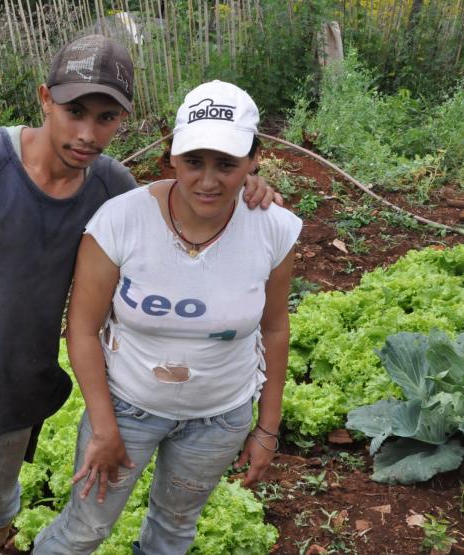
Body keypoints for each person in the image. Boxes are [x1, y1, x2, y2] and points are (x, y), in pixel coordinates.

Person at [0, 35, 279, 555]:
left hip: (15, 385)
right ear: (44, 98)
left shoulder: (110, 187)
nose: (87, 133)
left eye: (105, 118)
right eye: (74, 110)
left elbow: (178, 205)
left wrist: (253, 189)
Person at [33, 80, 302, 555]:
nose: (208, 181)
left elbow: (275, 328)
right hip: (127, 409)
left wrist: (267, 427)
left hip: (220, 418)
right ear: (172, 156)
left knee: (174, 531)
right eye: (194, 161)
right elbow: (82, 329)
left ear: (254, 159)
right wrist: (104, 428)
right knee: (85, 530)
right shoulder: (121, 221)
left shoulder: (273, 228)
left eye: (227, 164)